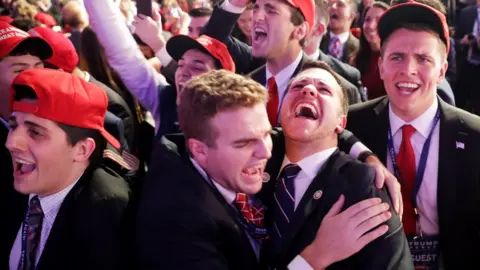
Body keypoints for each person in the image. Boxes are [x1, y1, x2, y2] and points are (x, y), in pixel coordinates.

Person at [136, 69, 396, 269]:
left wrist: (364, 153)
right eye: (245, 143)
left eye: (266, 134)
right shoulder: (176, 220)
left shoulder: (218, 151)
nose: (266, 151)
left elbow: (311, 128)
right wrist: (317, 256)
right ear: (200, 149)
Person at [345, 2, 480, 269]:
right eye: (397, 57)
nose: (408, 69)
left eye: (423, 59)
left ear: (442, 71)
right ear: (381, 66)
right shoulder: (351, 126)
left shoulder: (475, 136)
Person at [260, 59, 412, 269]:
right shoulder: (254, 158)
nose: (309, 90)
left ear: (341, 123)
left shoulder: (363, 188)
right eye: (297, 86)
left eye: (324, 89)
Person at [4, 69, 132, 270]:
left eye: (36, 132)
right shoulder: (18, 178)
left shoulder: (107, 217)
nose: (11, 143)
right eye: (13, 126)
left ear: (82, 150)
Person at [304, 0, 366, 101]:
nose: (333, 7)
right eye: (331, 4)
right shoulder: (313, 40)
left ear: (352, 15)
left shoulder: (360, 49)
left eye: (340, 4)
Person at [352, 1, 389, 100]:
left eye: (378, 20)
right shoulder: (355, 60)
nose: (371, 26)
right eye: (367, 20)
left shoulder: (395, 60)